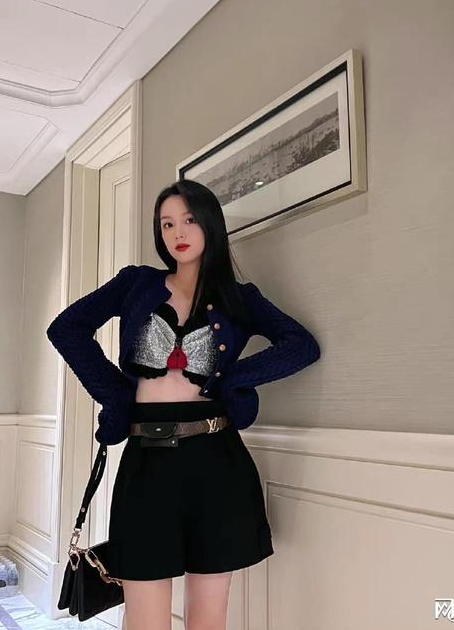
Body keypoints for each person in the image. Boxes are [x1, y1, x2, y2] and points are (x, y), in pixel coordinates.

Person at [46, 179, 321, 630]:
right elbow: (66, 328)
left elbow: (301, 346)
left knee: (208, 620)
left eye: (189, 220)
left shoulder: (239, 298)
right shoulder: (136, 283)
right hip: (146, 463)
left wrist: (234, 379)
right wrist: (116, 393)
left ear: (210, 223)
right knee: (145, 619)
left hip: (217, 462)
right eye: (167, 224)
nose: (178, 232)